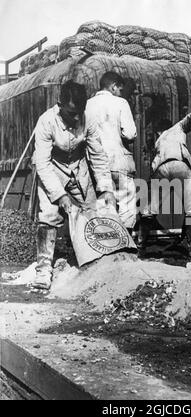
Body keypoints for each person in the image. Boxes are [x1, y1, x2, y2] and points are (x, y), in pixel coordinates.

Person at [32, 80, 115, 290]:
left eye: (80, 111)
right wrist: (60, 196)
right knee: (49, 216)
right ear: (60, 106)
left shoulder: (89, 120)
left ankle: (96, 263)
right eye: (71, 112)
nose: (77, 117)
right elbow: (41, 162)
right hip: (53, 170)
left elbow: (97, 155)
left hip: (79, 169)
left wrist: (105, 187)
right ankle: (43, 270)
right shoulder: (46, 122)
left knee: (90, 213)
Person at [138, 113, 191, 258]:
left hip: (161, 169)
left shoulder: (158, 142)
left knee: (149, 210)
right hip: (180, 165)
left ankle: (141, 246)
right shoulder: (177, 128)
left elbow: (152, 171)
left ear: (158, 131)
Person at [86, 71, 137, 235]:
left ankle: (109, 249)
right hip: (118, 162)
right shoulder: (120, 102)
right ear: (114, 86)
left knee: (104, 206)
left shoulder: (87, 105)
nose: (121, 93)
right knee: (126, 204)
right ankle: (127, 245)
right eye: (120, 89)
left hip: (96, 165)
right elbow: (130, 133)